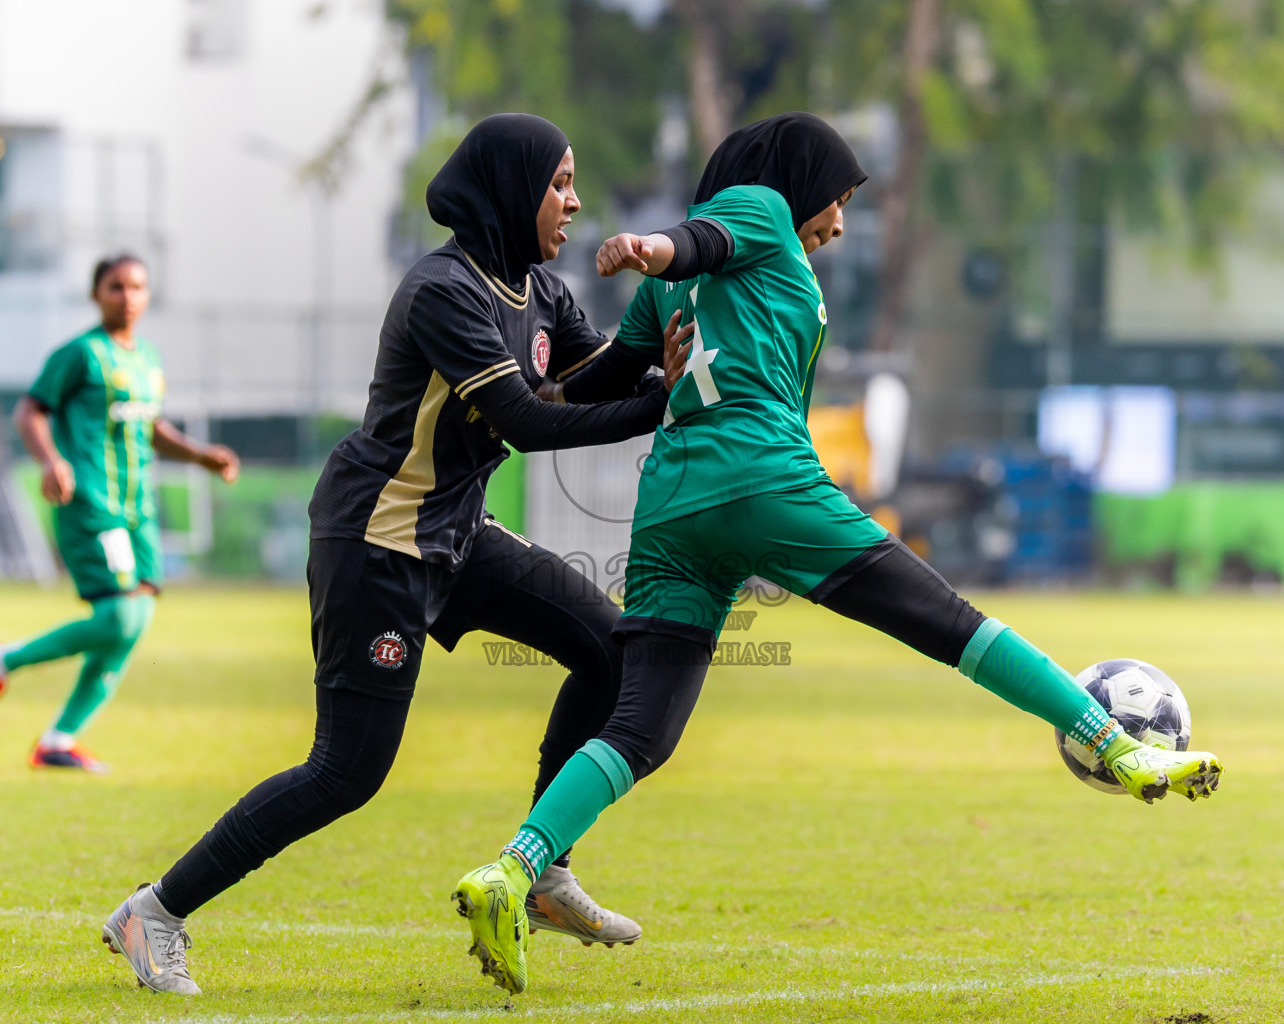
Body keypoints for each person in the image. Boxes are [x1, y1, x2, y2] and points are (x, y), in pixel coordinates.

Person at [453, 112, 1224, 996]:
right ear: (798, 180)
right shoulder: (760, 208)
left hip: (670, 508)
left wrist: (521, 391)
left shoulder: (694, 286)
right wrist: (646, 246)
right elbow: (694, 239)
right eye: (841, 198)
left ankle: (512, 871)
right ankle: (1116, 744)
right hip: (765, 482)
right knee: (950, 624)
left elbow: (586, 385)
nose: (839, 223)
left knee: (639, 730)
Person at [97, 113, 692, 995]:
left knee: (612, 652)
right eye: (559, 183)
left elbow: (589, 372)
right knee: (346, 771)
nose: (574, 201)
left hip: (456, 532)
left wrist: (661, 357)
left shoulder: (535, 286)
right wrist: (658, 405)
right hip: (377, 538)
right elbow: (527, 421)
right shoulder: (443, 290)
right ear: (511, 188)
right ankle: (154, 912)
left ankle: (540, 871)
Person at [0, 254, 240, 772]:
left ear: (148, 295)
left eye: (137, 287)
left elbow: (151, 429)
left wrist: (201, 456)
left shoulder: (148, 360)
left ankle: (58, 741)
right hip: (93, 503)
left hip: (139, 508)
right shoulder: (79, 354)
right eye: (116, 287)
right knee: (119, 616)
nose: (127, 296)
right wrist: (51, 461)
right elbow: (29, 411)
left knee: (134, 623)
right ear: (96, 294)